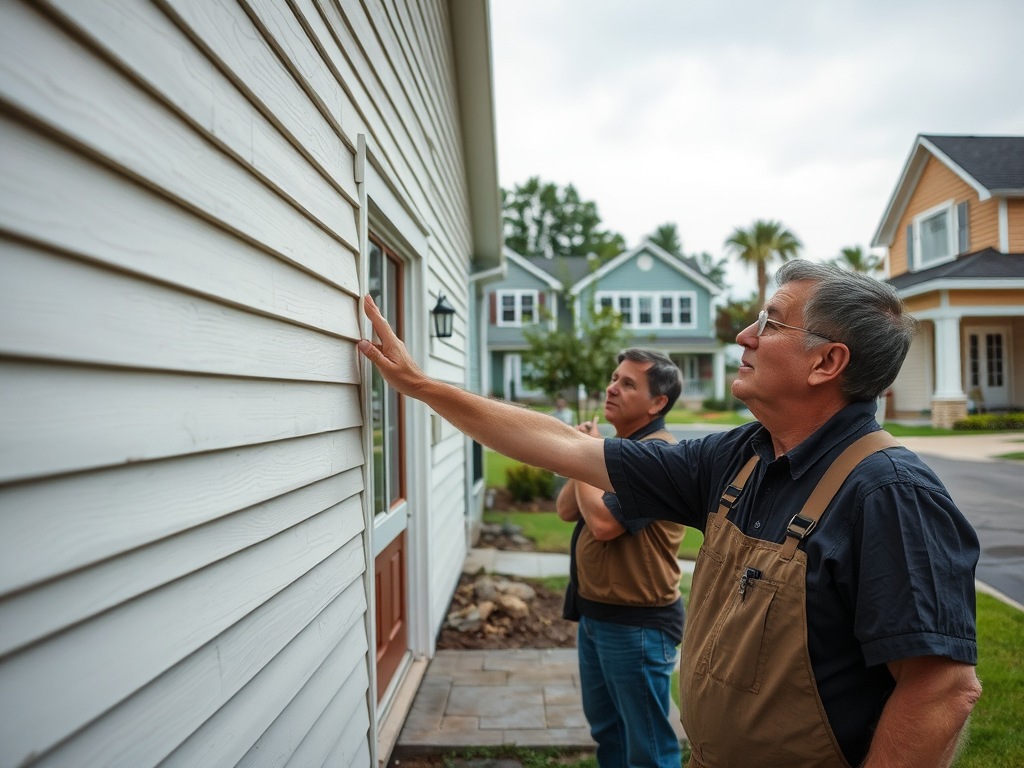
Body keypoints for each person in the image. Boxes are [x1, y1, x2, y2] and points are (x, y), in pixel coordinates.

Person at [357, 260, 982, 768]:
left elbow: (940, 691)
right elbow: (571, 449)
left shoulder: (890, 493)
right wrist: (422, 387)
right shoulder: (740, 457)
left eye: (771, 322)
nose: (744, 335)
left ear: (827, 363)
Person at [558, 349, 685, 768]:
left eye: (628, 383)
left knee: (648, 747)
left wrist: (586, 451)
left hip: (637, 626)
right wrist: (585, 453)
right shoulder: (620, 449)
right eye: (615, 378)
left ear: (658, 403)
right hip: (597, 616)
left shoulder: (659, 457)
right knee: (608, 733)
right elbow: (566, 510)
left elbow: (601, 523)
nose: (612, 387)